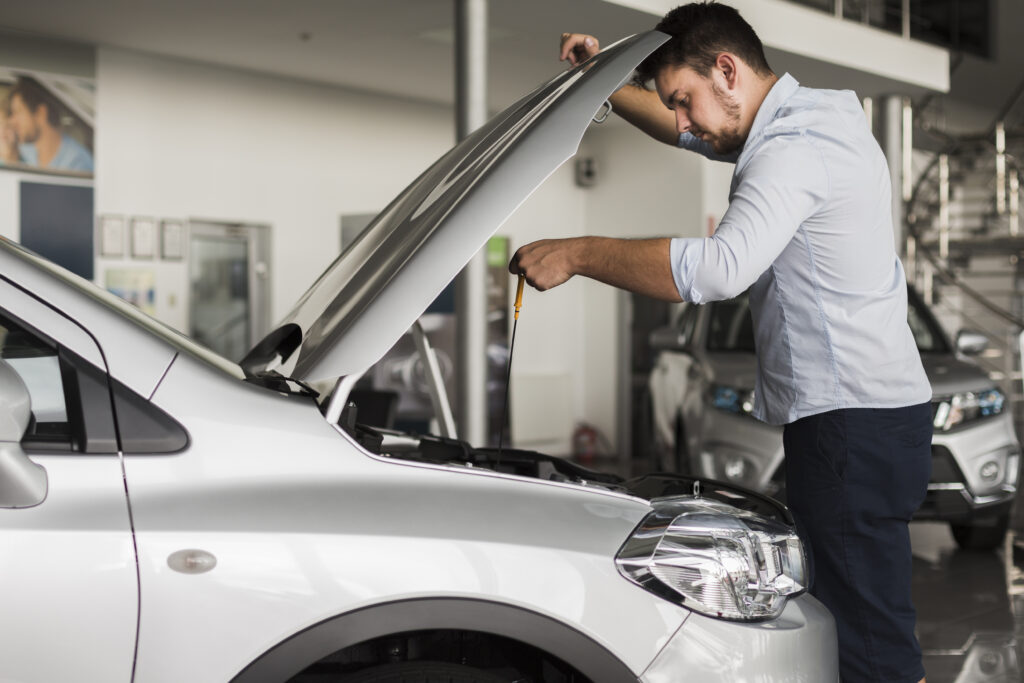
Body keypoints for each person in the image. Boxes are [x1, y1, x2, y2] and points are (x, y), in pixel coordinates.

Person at [508, 4, 932, 683]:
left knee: (869, 647)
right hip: (868, 416)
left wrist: (579, 251)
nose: (683, 123)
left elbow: (718, 268)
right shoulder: (811, 118)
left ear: (727, 70)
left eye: (684, 99)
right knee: (855, 625)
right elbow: (692, 136)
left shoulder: (793, 149)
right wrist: (600, 83)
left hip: (853, 422)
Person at [1, 76, 93, 173]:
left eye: (18, 112)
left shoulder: (77, 164)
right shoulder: (27, 149)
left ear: (41, 112)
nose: (12, 121)